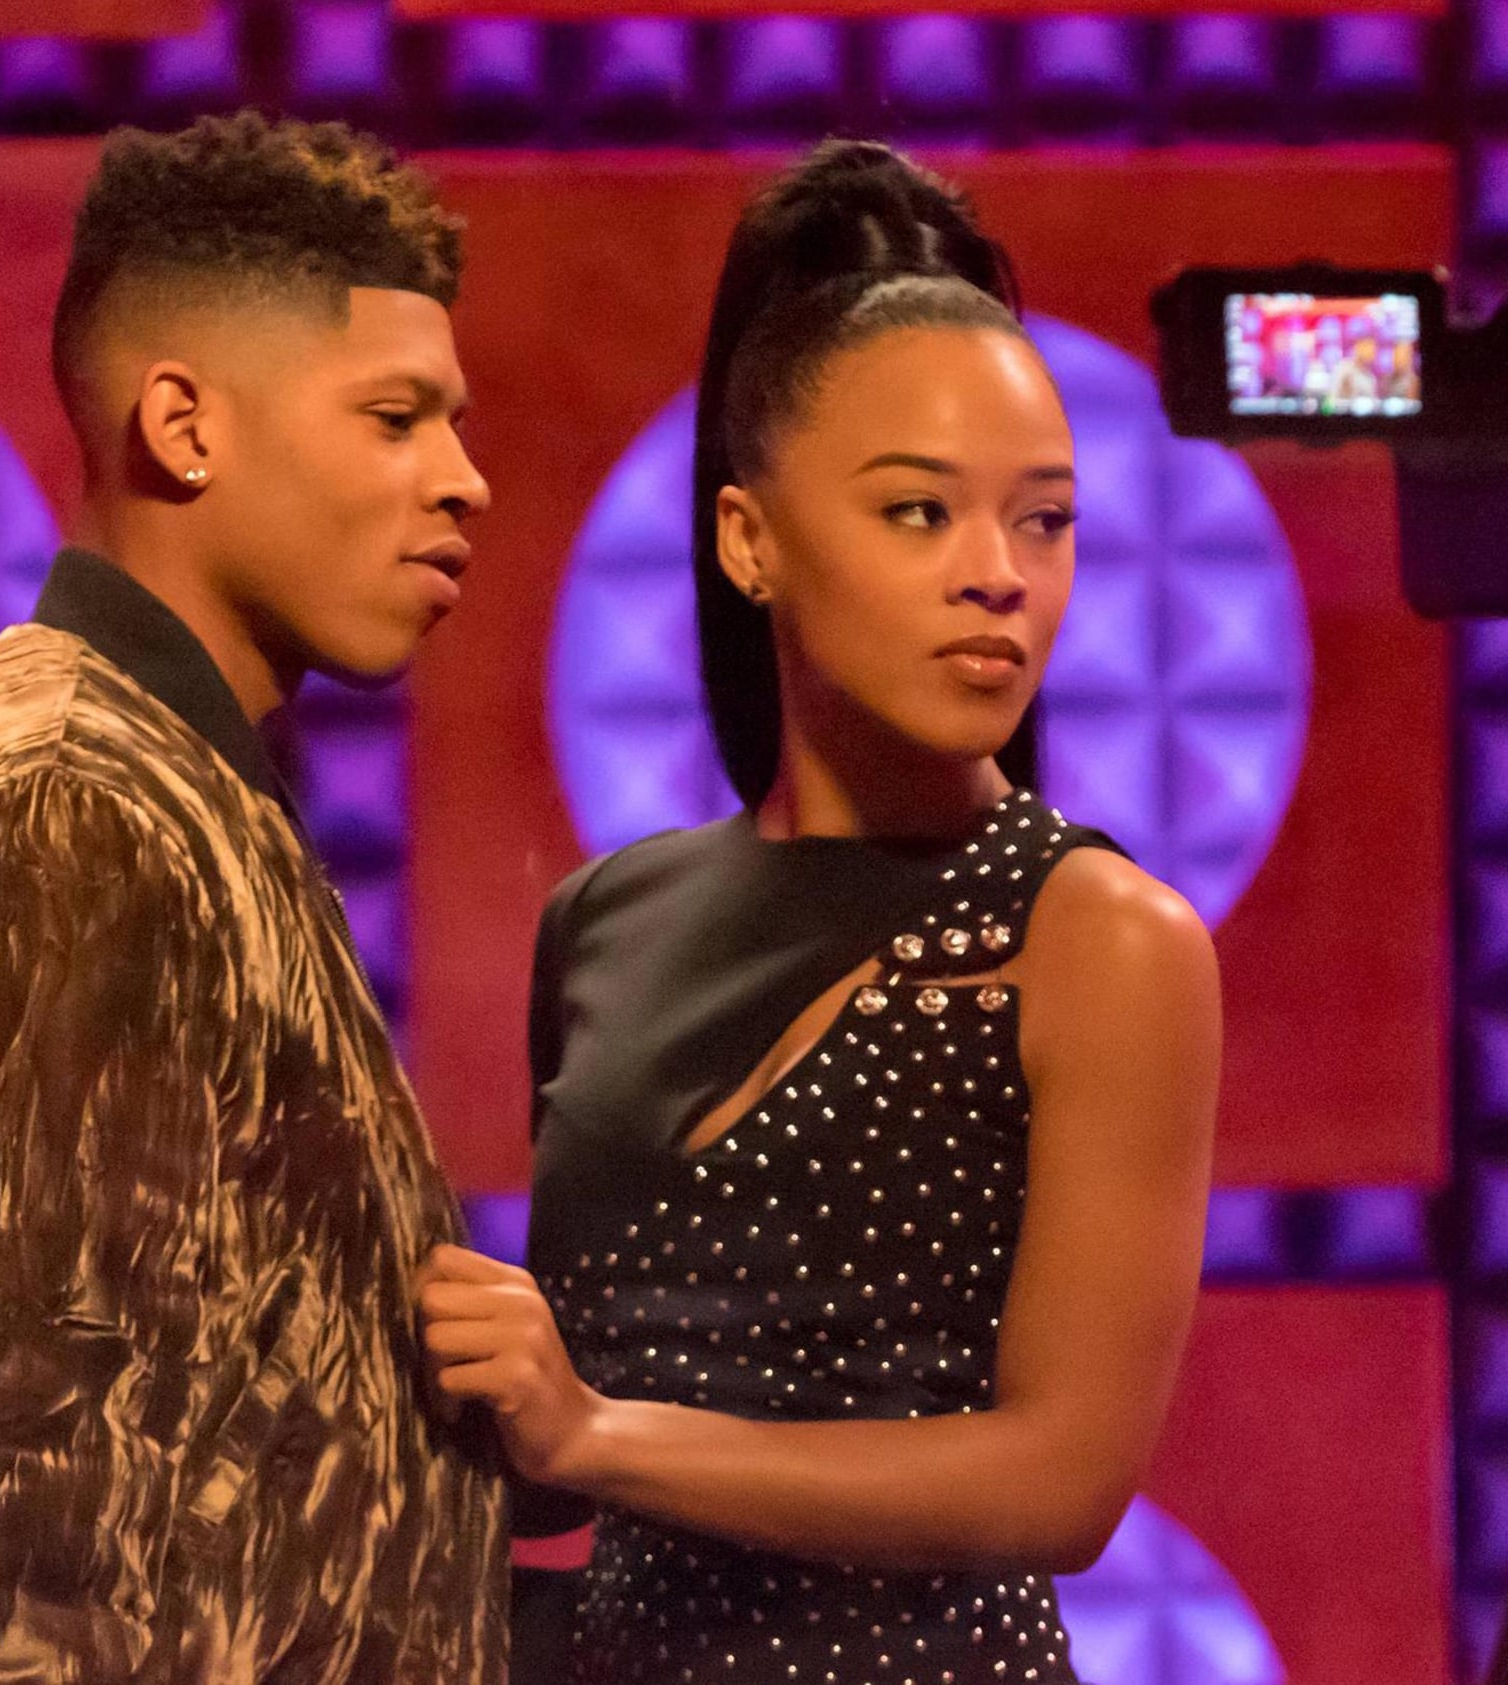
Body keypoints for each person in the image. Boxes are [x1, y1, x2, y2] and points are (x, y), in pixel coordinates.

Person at [418, 140, 1222, 1684]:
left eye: (1044, 521)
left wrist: (598, 1433)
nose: (998, 577)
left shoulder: (1101, 938)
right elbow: (550, 1444)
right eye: (919, 512)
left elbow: (1060, 1482)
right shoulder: (605, 917)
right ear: (748, 539)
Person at [0, 112, 504, 1684]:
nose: (465, 481)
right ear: (183, 424)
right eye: (396, 418)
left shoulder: (160, 781)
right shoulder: (61, 804)